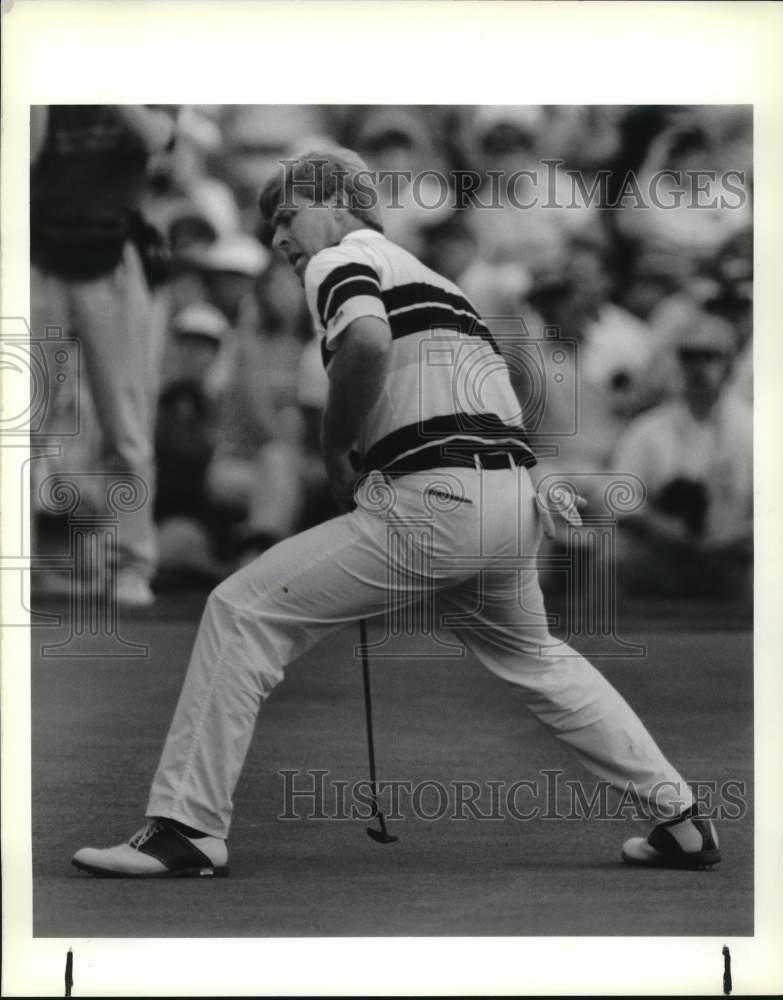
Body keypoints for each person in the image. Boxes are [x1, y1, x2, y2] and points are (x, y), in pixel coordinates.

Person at [72, 148, 720, 878]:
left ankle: (185, 829)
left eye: (286, 215)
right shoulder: (443, 282)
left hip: (439, 501)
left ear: (337, 204)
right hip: (512, 500)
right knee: (537, 659)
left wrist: (336, 443)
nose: (278, 237)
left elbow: (367, 341)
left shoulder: (340, 256)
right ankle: (679, 818)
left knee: (240, 610)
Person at [31, 104, 177, 606]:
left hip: (112, 253)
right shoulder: (41, 64)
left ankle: (131, 565)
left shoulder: (132, 64)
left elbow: (158, 135)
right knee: (20, 424)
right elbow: (24, 155)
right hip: (36, 253)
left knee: (126, 426)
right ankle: (22, 560)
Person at [612, 313, 752, 599]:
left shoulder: (755, 428)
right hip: (664, 552)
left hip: (735, 554)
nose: (698, 367)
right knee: (613, 557)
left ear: (729, 364)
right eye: (689, 357)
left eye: (709, 357)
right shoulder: (648, 429)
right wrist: (661, 529)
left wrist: (735, 540)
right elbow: (621, 500)